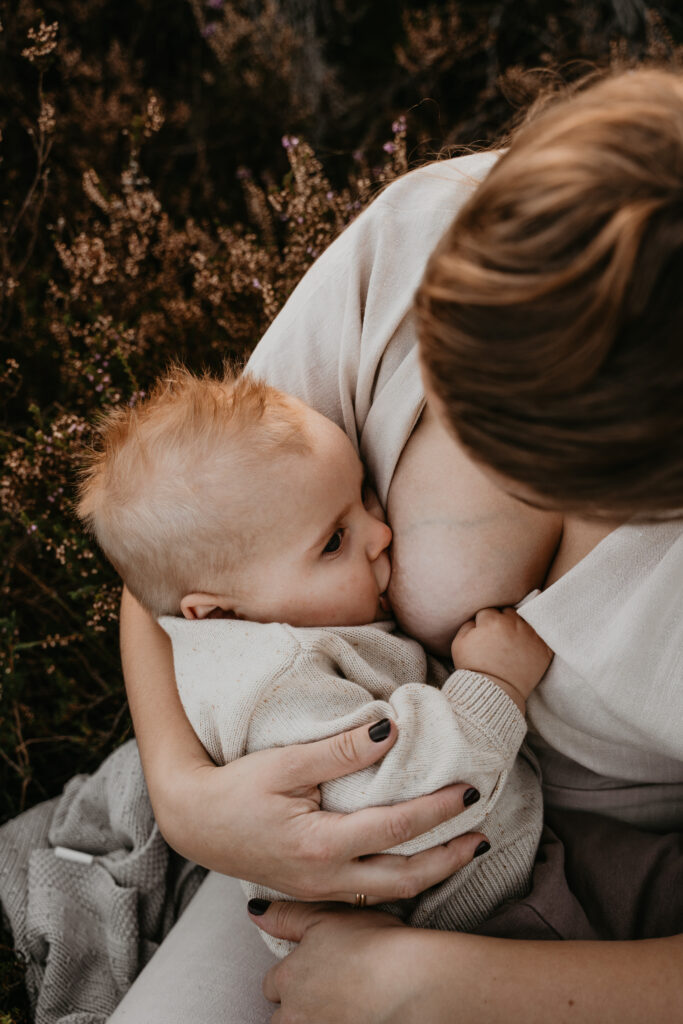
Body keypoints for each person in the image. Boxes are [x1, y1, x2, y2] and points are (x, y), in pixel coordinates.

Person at [110, 67, 683, 1023]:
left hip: (607, 907)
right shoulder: (431, 229)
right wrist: (184, 795)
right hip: (315, 856)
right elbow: (183, 546)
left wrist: (435, 984)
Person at [77, 364, 550, 957]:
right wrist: (494, 683)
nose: (379, 534)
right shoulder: (276, 682)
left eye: (363, 493)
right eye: (334, 541)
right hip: (475, 912)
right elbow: (399, 805)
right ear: (219, 612)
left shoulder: (257, 604)